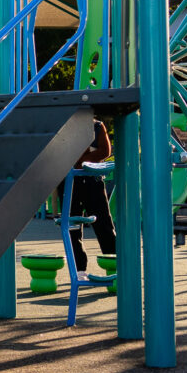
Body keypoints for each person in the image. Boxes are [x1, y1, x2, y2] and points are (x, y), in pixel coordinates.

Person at [57, 119, 115, 280]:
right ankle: (79, 269)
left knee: (103, 223)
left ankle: (114, 264)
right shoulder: (64, 125)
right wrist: (87, 154)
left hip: (91, 180)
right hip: (69, 180)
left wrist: (79, 159)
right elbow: (61, 152)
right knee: (72, 226)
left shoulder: (96, 126)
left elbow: (105, 151)